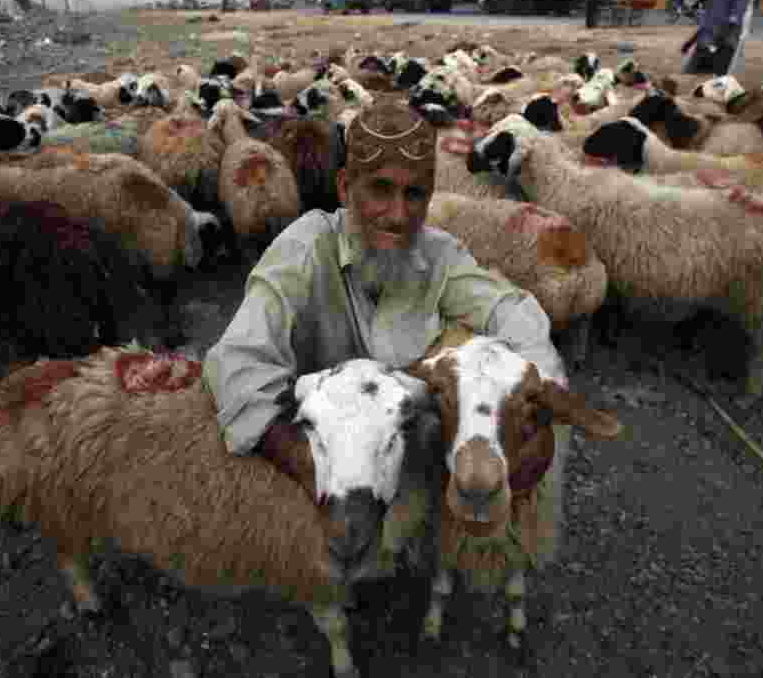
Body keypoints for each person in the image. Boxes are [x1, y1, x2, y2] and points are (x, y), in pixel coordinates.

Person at [203, 101, 565, 471]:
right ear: (345, 187)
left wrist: (539, 397)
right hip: (328, 453)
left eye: (414, 195)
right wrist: (307, 461)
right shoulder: (304, 247)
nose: (398, 215)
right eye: (380, 189)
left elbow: (511, 310)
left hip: (409, 458)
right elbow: (240, 359)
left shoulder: (437, 253)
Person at [681, 0, 759, 76]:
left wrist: (716, 40)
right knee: (694, 73)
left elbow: (736, 13)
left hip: (725, 37)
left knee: (719, 76)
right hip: (709, 35)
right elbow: (709, 14)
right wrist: (692, 40)